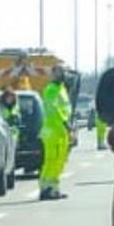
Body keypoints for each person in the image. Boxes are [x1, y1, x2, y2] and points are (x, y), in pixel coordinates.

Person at [38, 65, 73, 200]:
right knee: (51, 160)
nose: (62, 75)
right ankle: (45, 188)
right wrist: (65, 122)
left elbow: (65, 108)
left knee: (61, 160)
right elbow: (54, 109)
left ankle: (54, 188)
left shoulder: (62, 89)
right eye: (59, 72)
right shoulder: (51, 90)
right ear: (52, 75)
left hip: (61, 130)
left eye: (63, 72)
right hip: (52, 130)